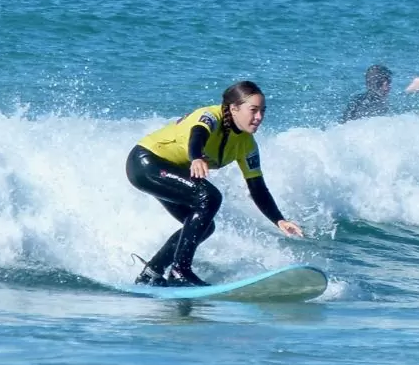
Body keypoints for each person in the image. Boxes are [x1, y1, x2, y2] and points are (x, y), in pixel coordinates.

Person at [126, 81, 304, 287]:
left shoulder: (247, 145)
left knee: (205, 226)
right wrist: (197, 157)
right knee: (209, 197)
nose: (259, 117)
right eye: (253, 110)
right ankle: (179, 271)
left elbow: (257, 186)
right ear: (233, 108)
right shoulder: (211, 116)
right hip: (146, 163)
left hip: (168, 171)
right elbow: (197, 135)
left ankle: (152, 273)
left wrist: (279, 220)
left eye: (263, 111)